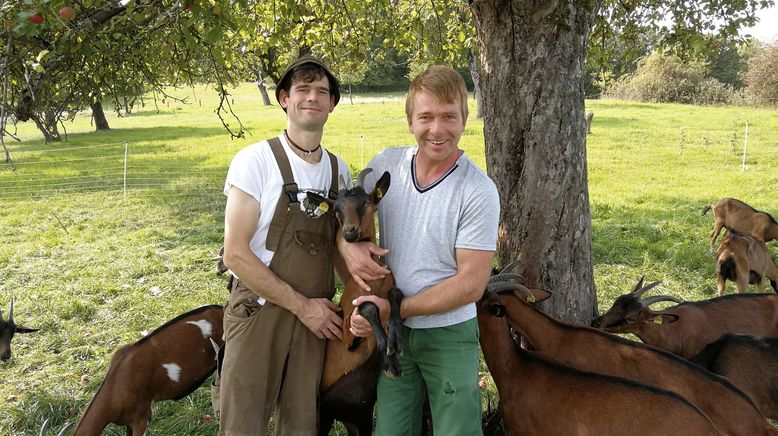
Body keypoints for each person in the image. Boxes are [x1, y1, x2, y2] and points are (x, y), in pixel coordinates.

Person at [343, 65, 500, 436]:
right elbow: (346, 209)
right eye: (426, 117)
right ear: (410, 121)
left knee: (456, 431)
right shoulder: (386, 166)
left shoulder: (477, 191)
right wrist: (348, 251)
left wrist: (393, 311)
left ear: (464, 119)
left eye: (449, 117)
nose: (437, 129)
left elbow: (470, 286)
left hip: (447, 332)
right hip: (394, 334)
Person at [218, 54, 351, 436]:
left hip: (318, 318)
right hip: (260, 310)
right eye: (303, 90)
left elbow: (339, 251)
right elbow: (236, 254)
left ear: (332, 104)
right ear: (284, 99)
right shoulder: (255, 161)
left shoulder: (339, 171)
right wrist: (301, 306)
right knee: (243, 423)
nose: (313, 97)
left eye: (322, 92)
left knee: (302, 424)